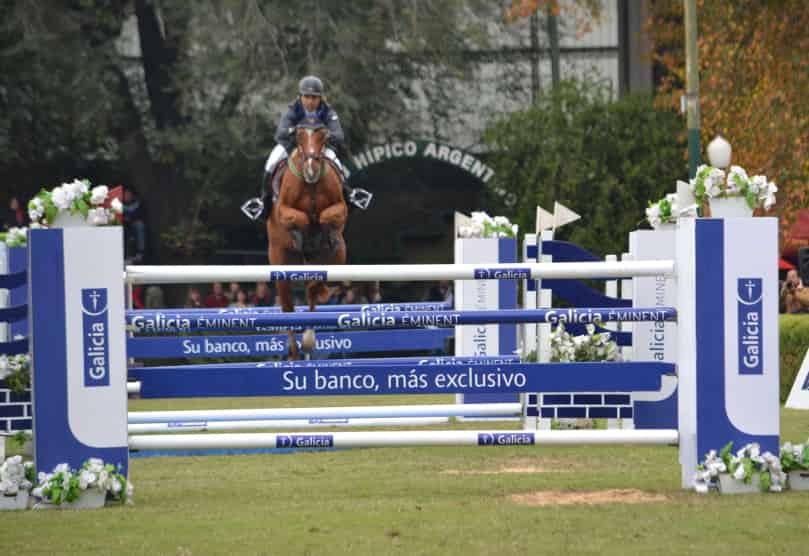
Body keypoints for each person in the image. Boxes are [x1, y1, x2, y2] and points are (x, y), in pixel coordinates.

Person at [263, 76, 347, 205]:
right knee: (271, 163)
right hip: (293, 145)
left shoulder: (328, 112)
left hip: (320, 147)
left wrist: (325, 135)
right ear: (300, 97)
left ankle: (348, 195)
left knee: (339, 166)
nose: (310, 101)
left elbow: (339, 135)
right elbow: (280, 133)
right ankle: (264, 200)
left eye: (314, 97)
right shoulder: (293, 110)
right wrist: (295, 132)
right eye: (306, 97)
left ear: (321, 98)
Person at [122, 187, 147, 262]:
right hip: (123, 225)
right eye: (125, 194)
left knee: (140, 226)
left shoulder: (137, 203)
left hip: (133, 224)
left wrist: (129, 219)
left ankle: (140, 253)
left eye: (129, 194)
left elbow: (140, 215)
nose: (127, 196)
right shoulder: (118, 204)